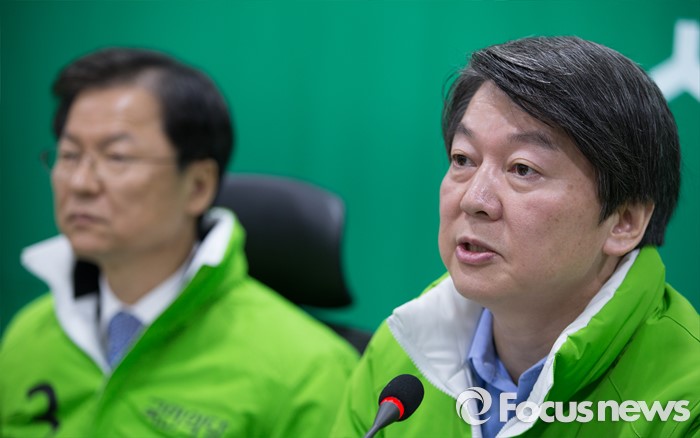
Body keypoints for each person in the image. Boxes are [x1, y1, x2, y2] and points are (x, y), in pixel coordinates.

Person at [331, 36, 699, 437]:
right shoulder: (402, 353)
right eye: (462, 159)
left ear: (623, 221)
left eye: (522, 169)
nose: (474, 199)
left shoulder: (688, 400)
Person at [0, 47, 358, 437]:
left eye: (116, 157)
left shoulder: (309, 370)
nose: (81, 183)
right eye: (69, 155)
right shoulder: (28, 335)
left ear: (198, 186)